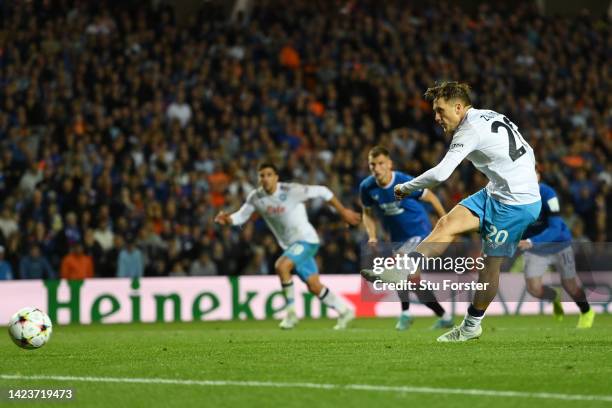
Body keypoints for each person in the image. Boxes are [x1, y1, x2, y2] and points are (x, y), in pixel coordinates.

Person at [368, 81, 541, 342]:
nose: (437, 117)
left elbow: (441, 173)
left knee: (488, 267)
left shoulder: (468, 129)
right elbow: (528, 150)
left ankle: (471, 325)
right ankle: (402, 270)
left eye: (440, 110)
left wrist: (406, 187)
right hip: (496, 192)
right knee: (446, 223)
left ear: (458, 107)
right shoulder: (490, 114)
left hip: (517, 204)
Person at [215, 162, 361, 330]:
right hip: (290, 246)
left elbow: (323, 191)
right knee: (314, 286)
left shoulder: (291, 191)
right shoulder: (256, 197)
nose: (266, 178)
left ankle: (290, 313)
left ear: (276, 177)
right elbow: (241, 216)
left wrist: (343, 212)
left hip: (306, 240)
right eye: (262, 175)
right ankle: (345, 311)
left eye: (269, 174)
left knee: (282, 266)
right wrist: (228, 219)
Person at [360, 145, 453, 330]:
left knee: (400, 265)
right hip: (398, 238)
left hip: (419, 231)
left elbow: (431, 197)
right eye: (372, 165)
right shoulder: (367, 187)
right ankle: (445, 316)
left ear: (389, 164)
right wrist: (372, 235)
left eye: (380, 164)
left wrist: (446, 221)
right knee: (413, 281)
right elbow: (367, 213)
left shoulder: (403, 181)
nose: (376, 168)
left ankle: (405, 313)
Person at [519, 174, 595, 328]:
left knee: (571, 287)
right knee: (533, 289)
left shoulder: (549, 194)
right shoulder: (514, 196)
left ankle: (586, 311)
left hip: (559, 245)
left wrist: (531, 241)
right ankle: (554, 296)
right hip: (536, 249)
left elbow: (555, 228)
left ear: (538, 177)